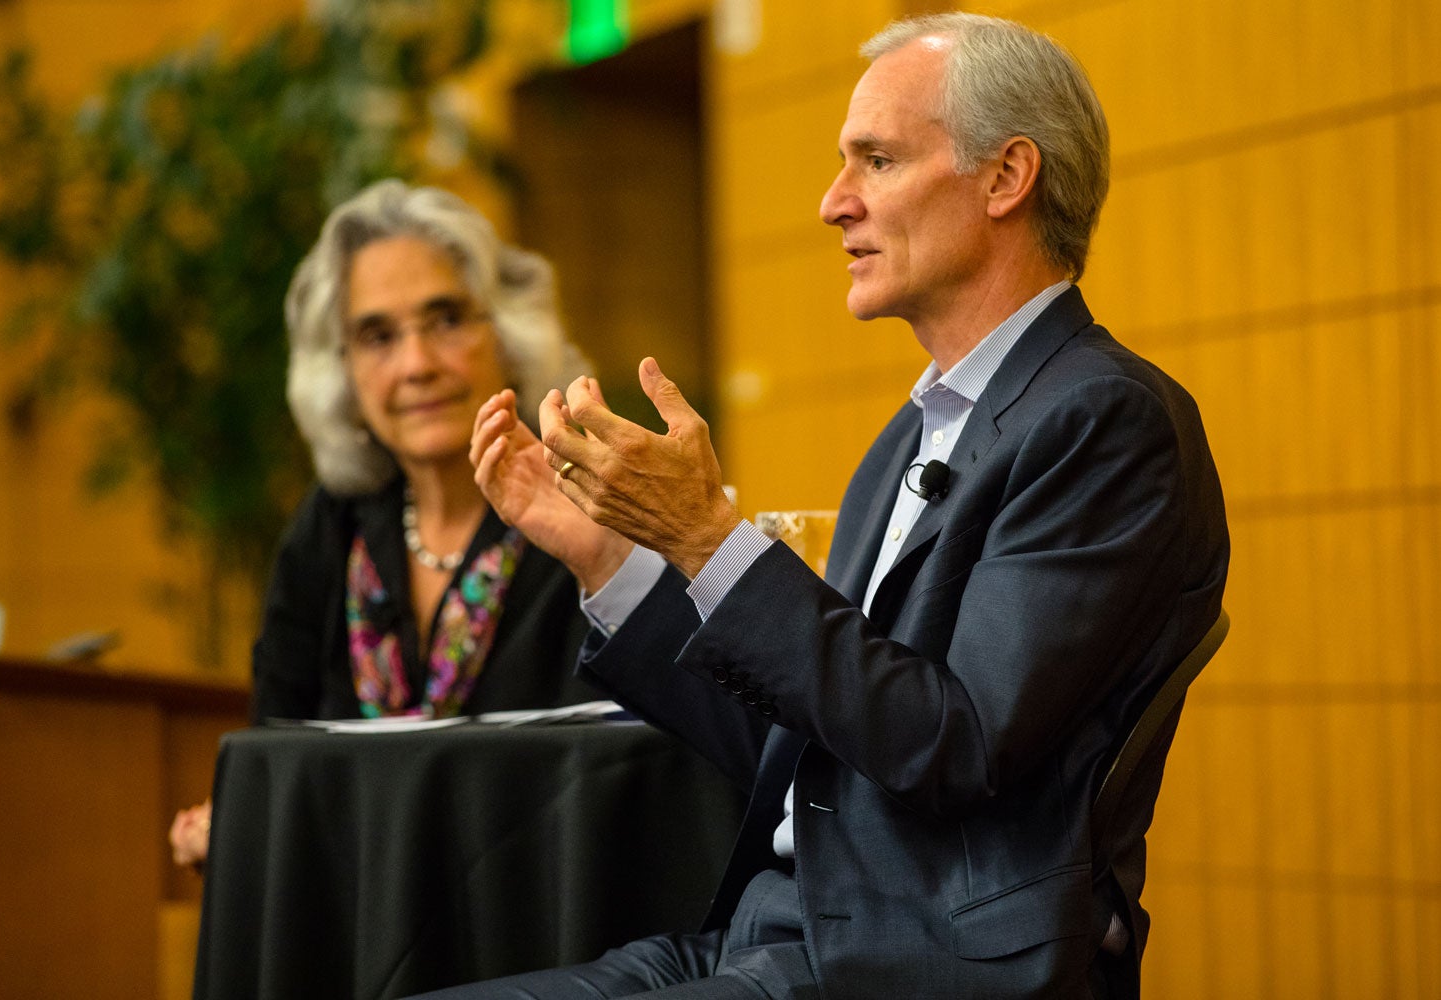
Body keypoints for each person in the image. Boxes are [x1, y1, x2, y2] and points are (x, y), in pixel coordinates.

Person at [447, 11, 1229, 1000]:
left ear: (1006, 177)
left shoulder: (1107, 421)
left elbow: (956, 743)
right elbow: (800, 741)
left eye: (877, 160)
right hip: (774, 930)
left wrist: (707, 536)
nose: (832, 203)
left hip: (910, 964)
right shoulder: (904, 440)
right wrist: (610, 558)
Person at [168, 179, 599, 868]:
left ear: (511, 333)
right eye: (377, 336)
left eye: (448, 319)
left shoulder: (585, 504)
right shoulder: (328, 527)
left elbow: (616, 772)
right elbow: (276, 747)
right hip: (353, 894)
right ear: (338, 371)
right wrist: (240, 821)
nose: (417, 365)